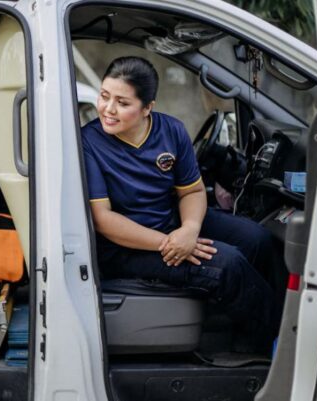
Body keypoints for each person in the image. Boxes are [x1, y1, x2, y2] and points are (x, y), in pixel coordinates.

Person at [82, 56, 278, 353]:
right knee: (227, 264)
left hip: (171, 221)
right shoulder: (89, 141)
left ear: (148, 108)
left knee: (257, 239)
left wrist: (189, 229)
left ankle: (241, 327)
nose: (108, 109)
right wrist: (170, 243)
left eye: (122, 103)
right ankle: (273, 343)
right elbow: (103, 219)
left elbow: (192, 192)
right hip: (125, 246)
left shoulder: (171, 130)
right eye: (105, 96)